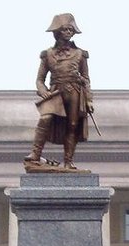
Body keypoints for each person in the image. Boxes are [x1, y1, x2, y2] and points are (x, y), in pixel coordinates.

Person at [23, 13, 94, 170]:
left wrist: (89, 99)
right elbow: (40, 80)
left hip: (74, 91)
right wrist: (43, 92)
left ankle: (68, 162)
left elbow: (86, 79)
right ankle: (35, 154)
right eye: (65, 29)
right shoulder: (47, 54)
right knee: (45, 118)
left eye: (71, 29)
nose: (68, 32)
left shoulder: (80, 54)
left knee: (73, 125)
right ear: (57, 31)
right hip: (55, 92)